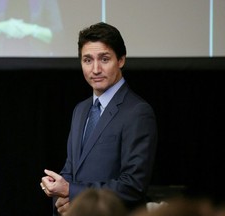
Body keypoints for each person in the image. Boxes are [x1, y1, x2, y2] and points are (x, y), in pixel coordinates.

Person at [40, 22, 157, 216]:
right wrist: (58, 195)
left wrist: (73, 194)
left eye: (104, 59)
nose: (95, 69)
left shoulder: (138, 112)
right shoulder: (81, 109)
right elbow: (70, 170)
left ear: (121, 60)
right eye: (87, 60)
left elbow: (132, 186)